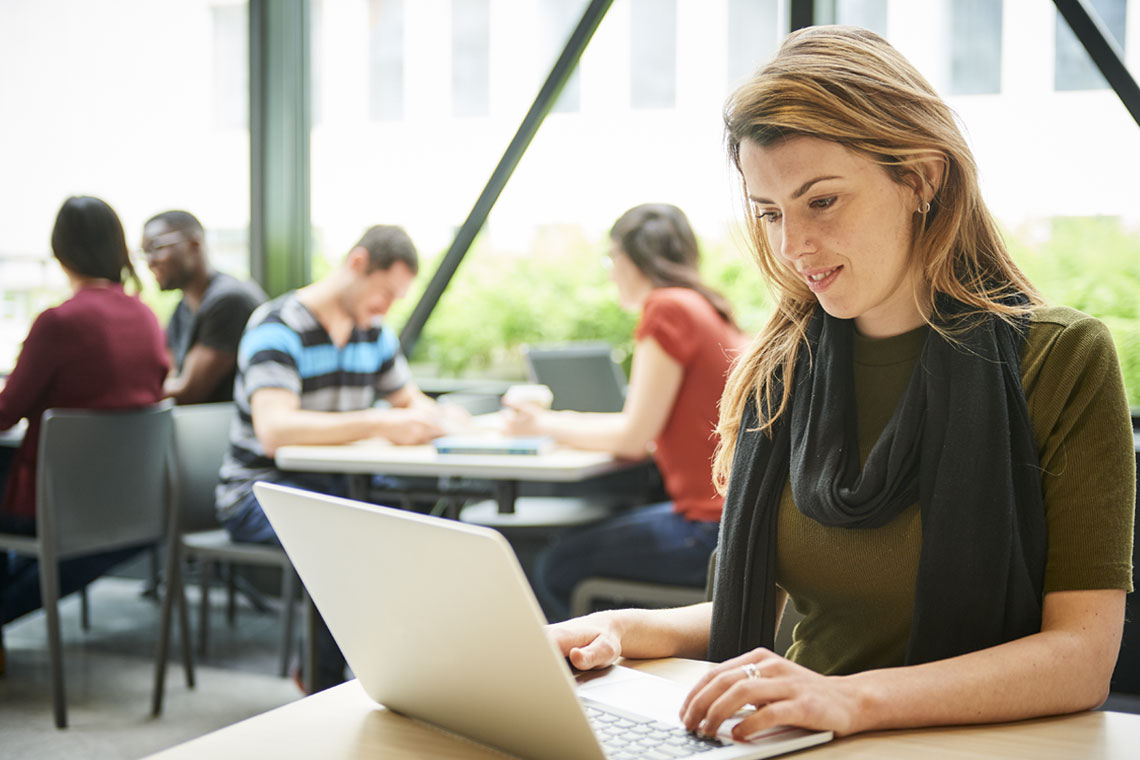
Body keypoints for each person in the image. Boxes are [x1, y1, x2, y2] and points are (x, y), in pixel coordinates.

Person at [548, 26, 1134, 741]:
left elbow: (1080, 658)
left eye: (821, 201)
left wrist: (849, 700)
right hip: (791, 741)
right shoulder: (781, 370)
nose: (793, 247)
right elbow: (781, 617)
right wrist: (621, 626)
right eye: (769, 213)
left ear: (921, 176)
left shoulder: (1060, 359)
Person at [215, 224, 459, 692]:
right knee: (349, 541)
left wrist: (445, 418)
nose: (387, 307)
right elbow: (275, 431)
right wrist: (378, 422)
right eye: (385, 292)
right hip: (259, 491)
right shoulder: (278, 326)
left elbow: (408, 400)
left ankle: (416, 680)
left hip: (338, 486)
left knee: (426, 529)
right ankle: (323, 684)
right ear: (357, 263)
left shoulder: (373, 332)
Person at [504, 203, 748, 622]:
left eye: (611, 258)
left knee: (555, 563)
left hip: (709, 530)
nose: (611, 270)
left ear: (631, 258)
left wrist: (541, 425)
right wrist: (559, 423)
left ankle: (580, 672)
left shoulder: (667, 308)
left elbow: (634, 438)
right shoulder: (707, 308)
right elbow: (643, 427)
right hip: (733, 523)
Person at [0, 196, 168, 668]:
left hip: (56, 503)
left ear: (61, 252)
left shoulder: (58, 323)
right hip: (129, 504)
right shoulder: (147, 318)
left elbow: (6, 413)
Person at [141, 210, 267, 404]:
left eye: (157, 247)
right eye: (145, 252)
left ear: (194, 244)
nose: (150, 261)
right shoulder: (182, 309)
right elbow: (169, 375)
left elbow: (189, 391)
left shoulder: (229, 301)